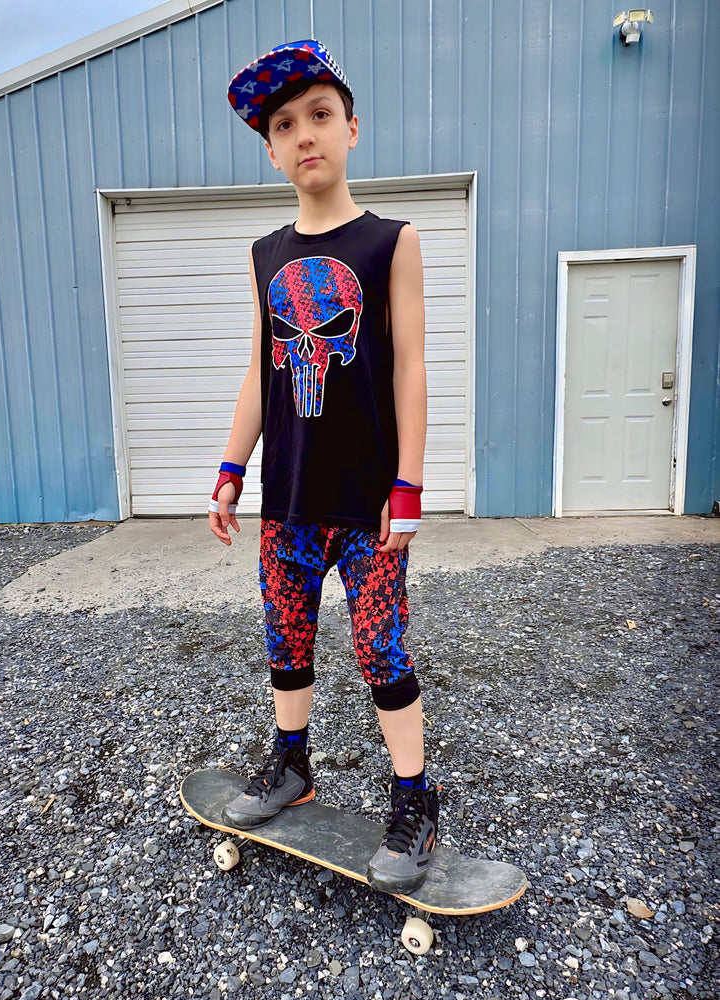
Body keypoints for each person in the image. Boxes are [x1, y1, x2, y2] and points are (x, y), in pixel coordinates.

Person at [208, 40, 438, 895]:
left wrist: (409, 484)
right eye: (283, 125)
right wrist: (232, 467)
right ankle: (292, 763)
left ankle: (415, 797)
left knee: (381, 649)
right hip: (292, 502)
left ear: (351, 128)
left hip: (370, 506)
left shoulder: (391, 243)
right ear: (271, 151)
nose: (303, 133)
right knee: (287, 638)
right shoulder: (265, 255)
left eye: (319, 115)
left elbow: (411, 366)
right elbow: (260, 372)